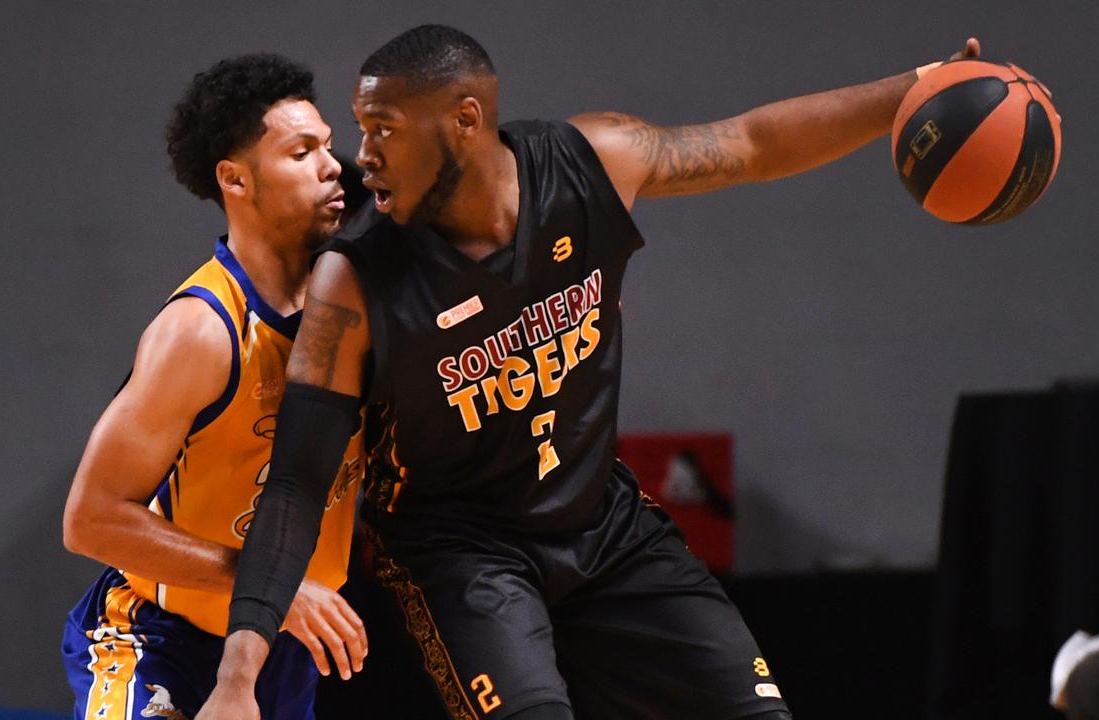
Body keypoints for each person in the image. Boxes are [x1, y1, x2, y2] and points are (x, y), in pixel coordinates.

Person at [200, 25, 981, 720]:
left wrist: (913, 91)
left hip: (600, 524)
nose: (360, 156)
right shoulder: (357, 277)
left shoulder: (592, 164)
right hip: (459, 551)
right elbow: (296, 482)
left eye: (384, 130)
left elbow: (751, 143)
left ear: (465, 122)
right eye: (363, 129)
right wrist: (239, 676)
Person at [59, 53, 367, 720]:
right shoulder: (201, 331)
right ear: (236, 179)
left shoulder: (356, 303)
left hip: (284, 648)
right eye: (301, 151)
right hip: (157, 639)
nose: (332, 163)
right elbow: (90, 520)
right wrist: (268, 583)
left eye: (328, 145)